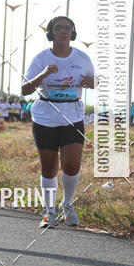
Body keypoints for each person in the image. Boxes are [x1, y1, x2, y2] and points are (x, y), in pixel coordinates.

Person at [22, 16, 95, 229]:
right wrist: (44, 74)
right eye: (58, 28)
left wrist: (92, 82)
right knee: (49, 168)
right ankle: (49, 211)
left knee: (72, 165)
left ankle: (67, 204)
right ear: (51, 33)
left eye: (68, 28)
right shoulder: (41, 58)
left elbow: (94, 80)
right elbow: (25, 89)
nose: (63, 31)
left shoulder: (82, 58)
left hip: (72, 114)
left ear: (73, 33)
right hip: (46, 115)